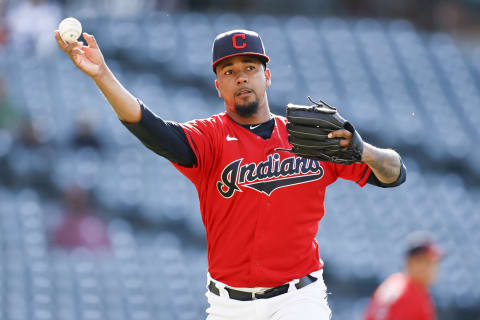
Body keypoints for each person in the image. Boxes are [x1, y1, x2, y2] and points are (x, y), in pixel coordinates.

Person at [55, 28, 406, 319]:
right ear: (218, 86)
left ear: (266, 76)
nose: (241, 76)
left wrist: (365, 151)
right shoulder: (209, 139)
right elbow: (152, 130)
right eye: (229, 71)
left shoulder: (311, 139)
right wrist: (102, 75)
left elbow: (395, 174)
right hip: (228, 306)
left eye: (250, 67)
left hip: (299, 299)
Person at [363, 232, 442, 320]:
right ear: (411, 262)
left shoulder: (393, 282)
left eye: (434, 263)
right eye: (427, 262)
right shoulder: (413, 295)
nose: (433, 267)